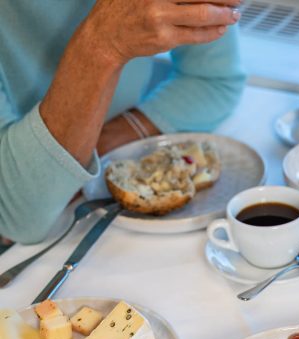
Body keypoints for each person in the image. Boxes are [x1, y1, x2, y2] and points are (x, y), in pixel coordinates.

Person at [0, 0, 246, 244]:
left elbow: (213, 80)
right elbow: (17, 218)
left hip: (77, 206)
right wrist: (102, 43)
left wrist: (94, 145)